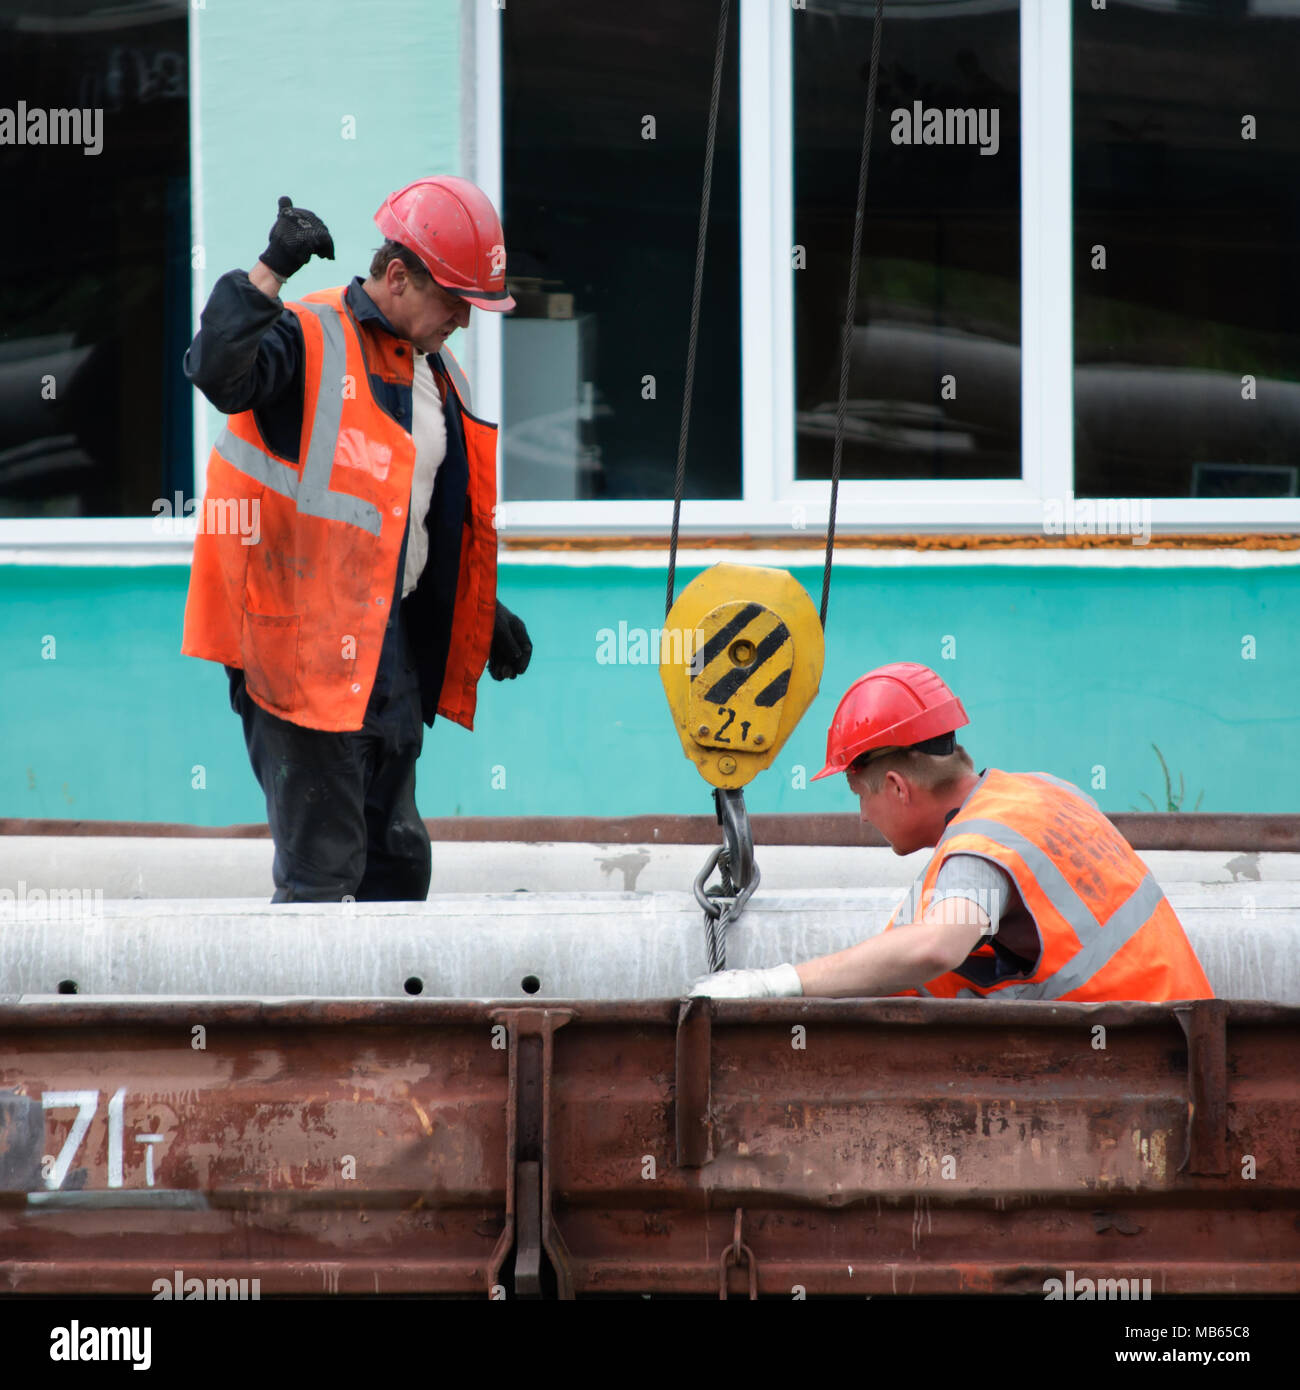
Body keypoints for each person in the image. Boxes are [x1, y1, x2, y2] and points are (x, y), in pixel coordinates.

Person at [181, 179, 532, 902]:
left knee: (396, 864)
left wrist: (474, 609)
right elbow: (216, 370)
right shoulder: (307, 334)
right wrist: (269, 271)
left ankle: (395, 1019)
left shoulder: (432, 368)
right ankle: (308, 1017)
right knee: (323, 875)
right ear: (398, 277)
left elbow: (411, 514)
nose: (464, 322)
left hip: (386, 645)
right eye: (455, 302)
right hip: (296, 646)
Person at [690, 662, 1214, 1002]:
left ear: (897, 786)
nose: (863, 818)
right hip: (1181, 1034)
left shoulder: (981, 849)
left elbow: (938, 947)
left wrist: (778, 983)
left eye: (861, 797)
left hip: (1143, 1065)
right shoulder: (1044, 791)